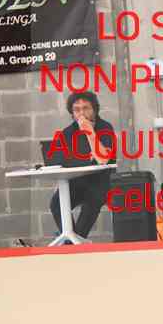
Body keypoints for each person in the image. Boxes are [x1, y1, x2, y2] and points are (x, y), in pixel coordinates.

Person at [49, 91, 116, 240]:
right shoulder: (68, 132)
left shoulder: (105, 128)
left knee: (92, 201)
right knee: (56, 203)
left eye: (86, 108)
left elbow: (103, 159)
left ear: (94, 110)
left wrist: (89, 132)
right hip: (77, 181)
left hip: (100, 181)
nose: (81, 113)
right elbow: (61, 162)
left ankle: (74, 242)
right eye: (77, 109)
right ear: (72, 113)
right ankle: (73, 240)